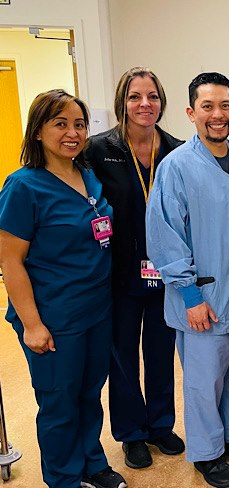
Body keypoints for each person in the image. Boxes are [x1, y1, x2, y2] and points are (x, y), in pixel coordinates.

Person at [146, 72, 229, 488]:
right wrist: (190, 295)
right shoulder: (175, 167)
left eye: (225, 106)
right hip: (203, 297)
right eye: (208, 107)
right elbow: (165, 237)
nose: (218, 115)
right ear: (191, 113)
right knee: (203, 382)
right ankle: (207, 452)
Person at [0, 90, 126, 488]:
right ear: (37, 131)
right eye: (60, 124)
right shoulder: (23, 187)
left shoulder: (87, 174)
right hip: (53, 316)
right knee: (59, 403)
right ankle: (65, 478)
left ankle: (93, 463)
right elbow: (10, 261)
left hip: (95, 309)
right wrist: (32, 325)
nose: (72, 133)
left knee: (89, 394)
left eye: (79, 124)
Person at [84, 67, 185, 470]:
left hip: (165, 272)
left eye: (153, 96)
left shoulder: (177, 149)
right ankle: (131, 433)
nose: (145, 104)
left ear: (162, 101)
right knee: (123, 354)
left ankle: (160, 425)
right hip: (119, 273)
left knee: (161, 352)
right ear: (121, 102)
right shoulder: (98, 149)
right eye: (135, 97)